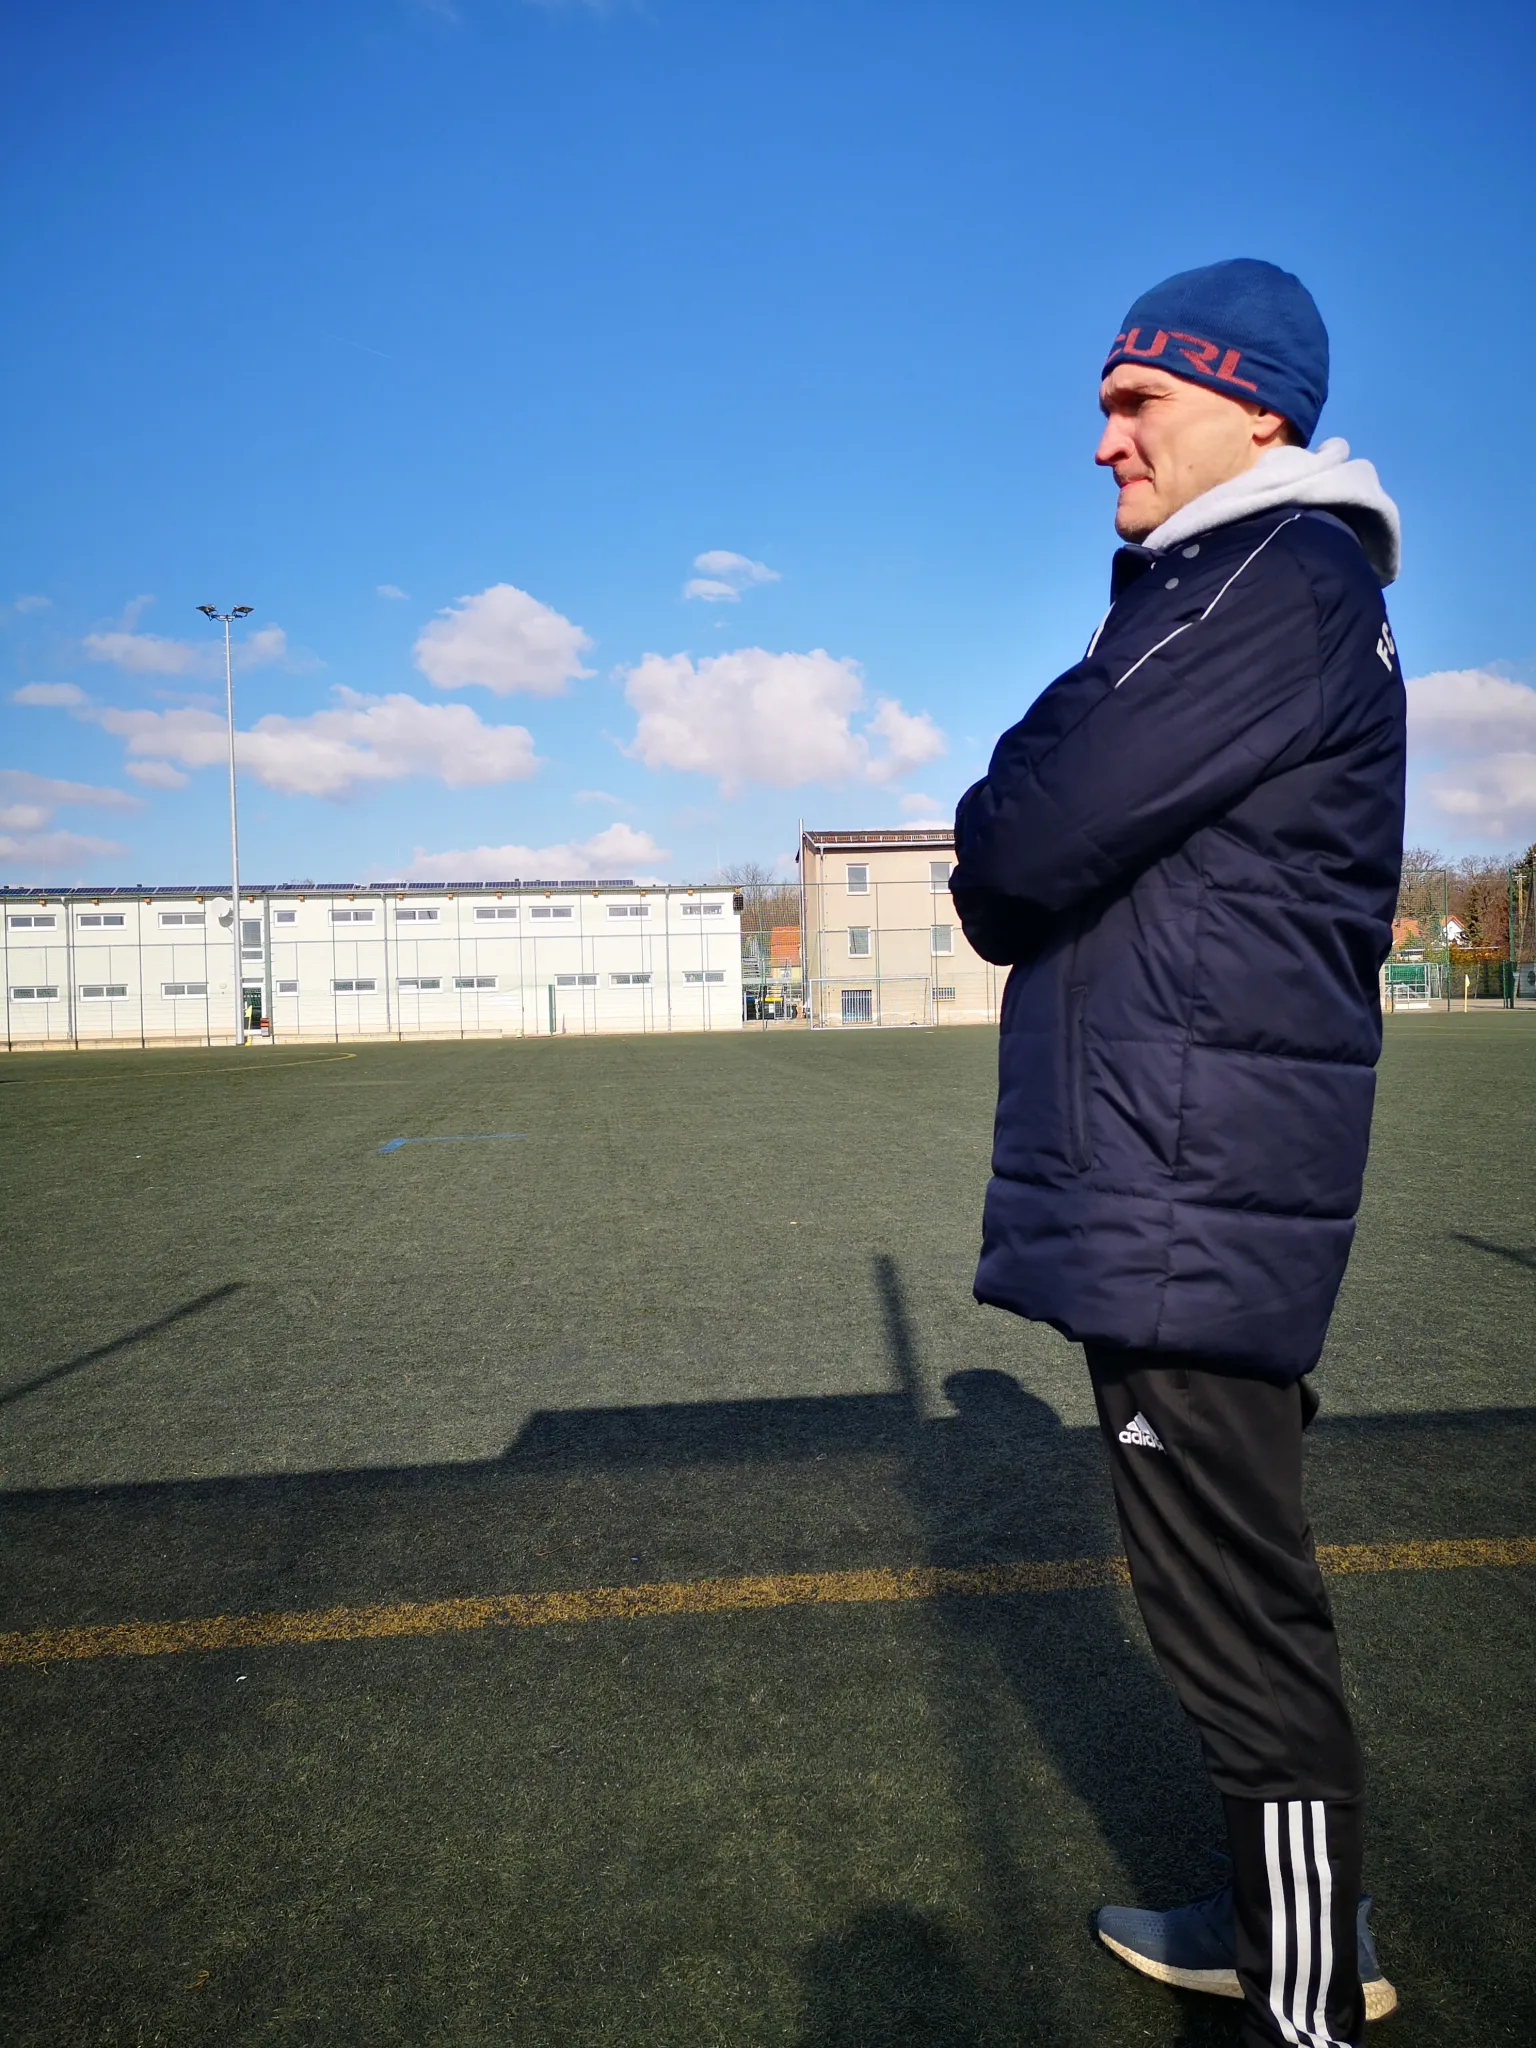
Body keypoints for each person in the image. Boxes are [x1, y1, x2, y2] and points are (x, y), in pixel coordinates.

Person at [949, 259, 1405, 2047]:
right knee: (1225, 1590)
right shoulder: (1232, 586)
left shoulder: (1267, 578)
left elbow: (1017, 840)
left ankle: (1303, 2000)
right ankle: (1295, 1931)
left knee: (1234, 1616)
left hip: (1187, 1195)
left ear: (1256, 411)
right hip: (1185, 1183)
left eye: (1137, 402)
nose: (1103, 440)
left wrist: (1026, 770)